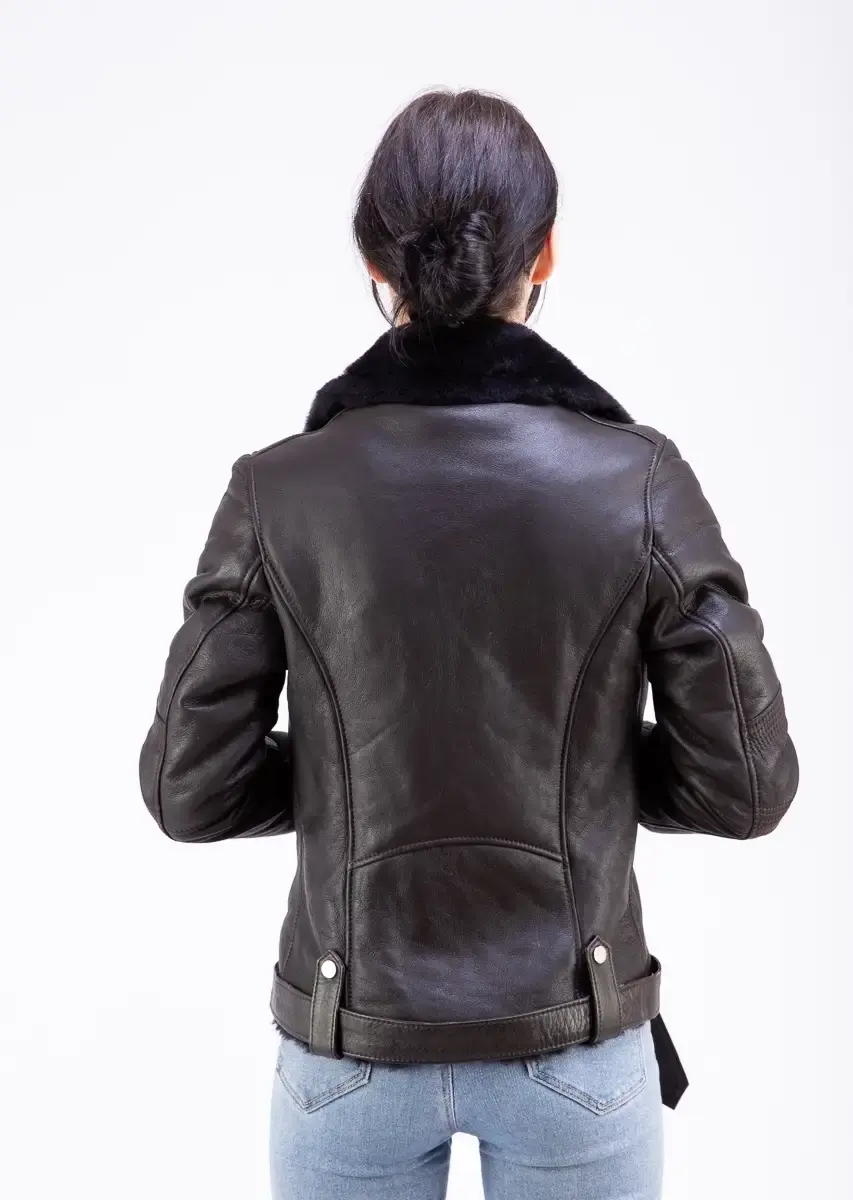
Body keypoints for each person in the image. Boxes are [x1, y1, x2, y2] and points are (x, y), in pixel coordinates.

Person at [139, 87, 799, 1200]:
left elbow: (187, 790)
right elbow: (746, 785)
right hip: (575, 1041)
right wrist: (569, 780)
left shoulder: (277, 491)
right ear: (545, 255)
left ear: (375, 264)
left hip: (350, 1046)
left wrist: (367, 787)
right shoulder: (639, 483)